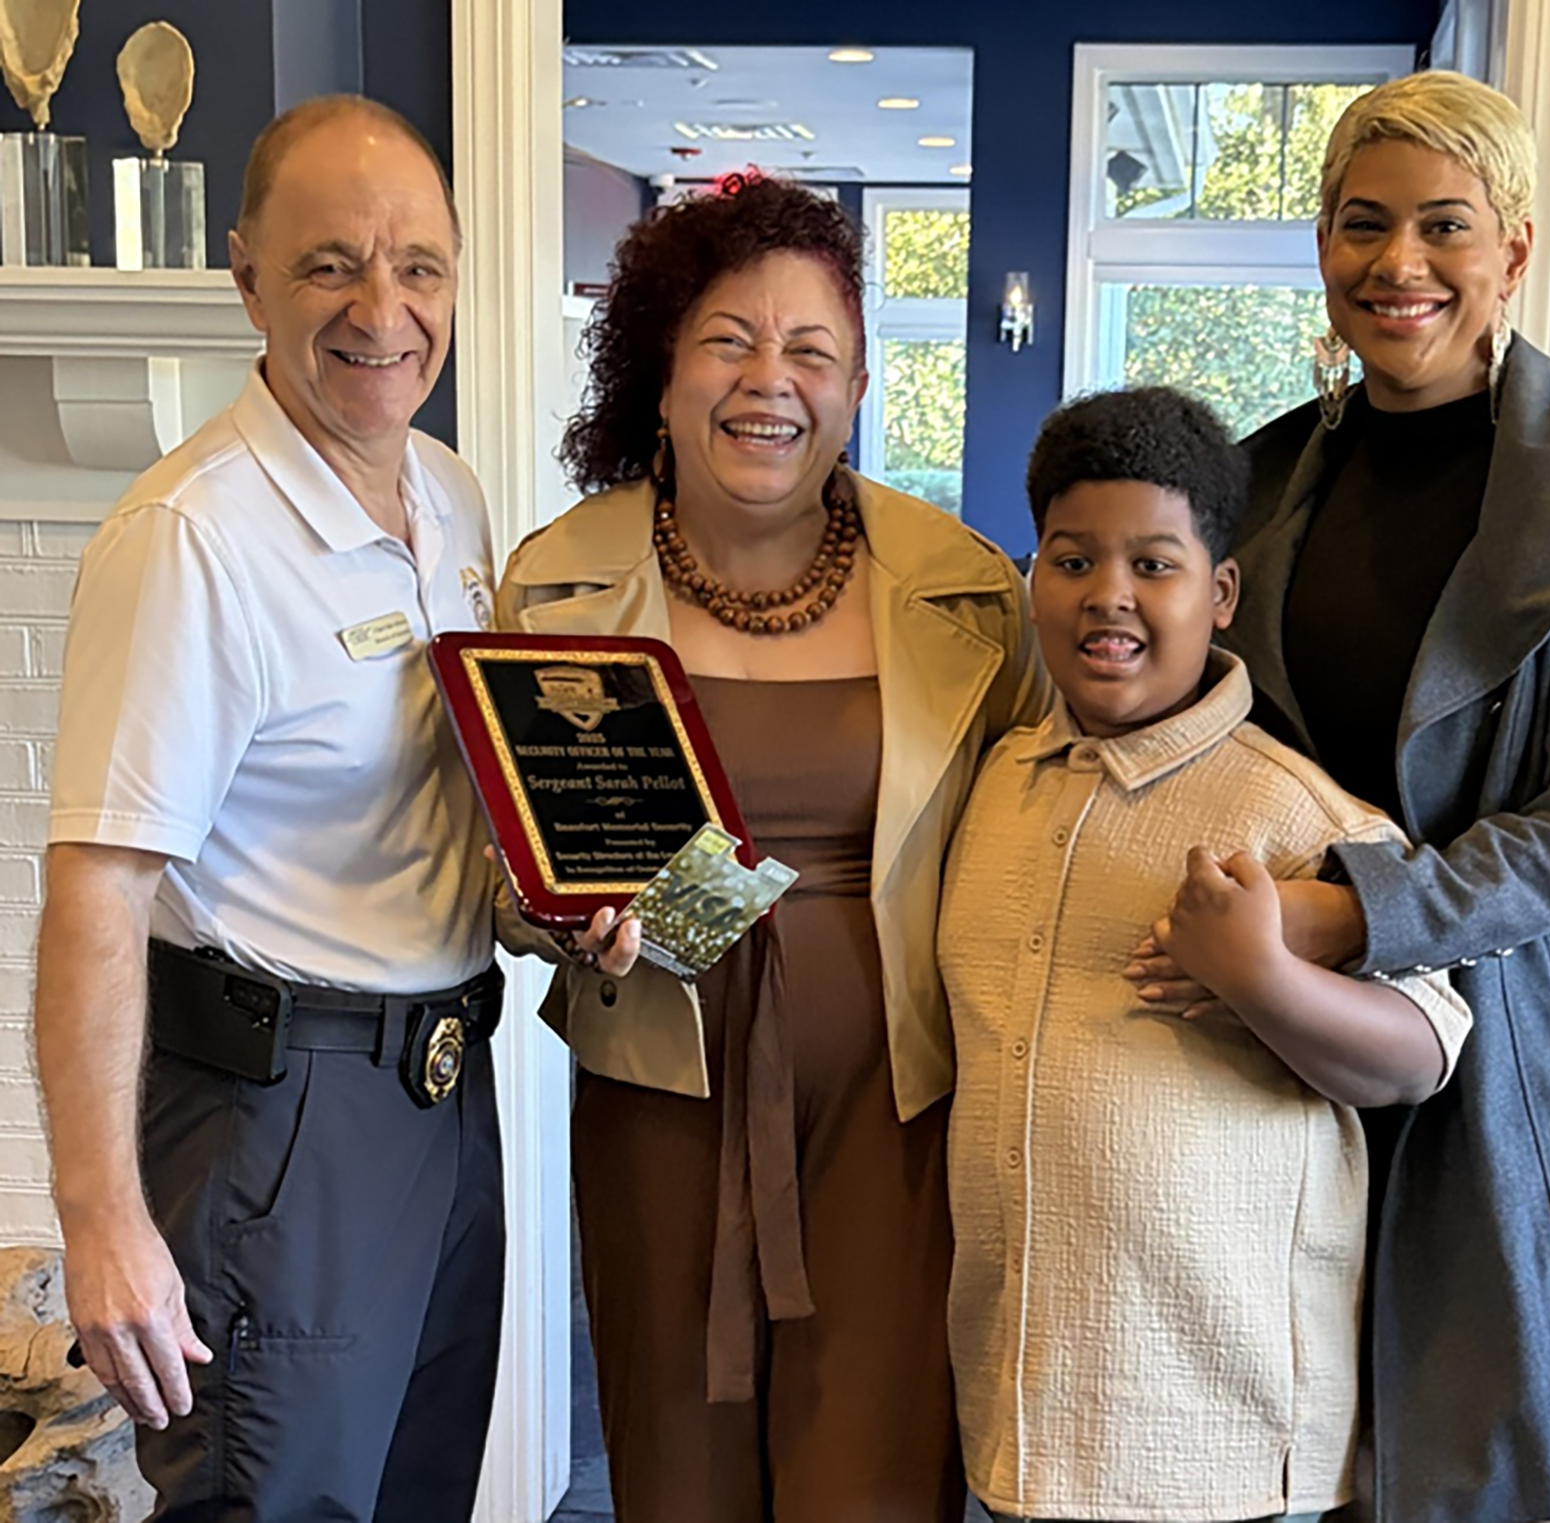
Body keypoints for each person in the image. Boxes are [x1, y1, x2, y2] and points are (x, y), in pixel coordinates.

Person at [1139, 70, 1550, 1523]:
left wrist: (1351, 916)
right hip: (1273, 1027)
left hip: (1519, 1037)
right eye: (1360, 223)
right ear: (1320, 244)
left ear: (1512, 246)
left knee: (1470, 1465)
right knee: (1280, 1447)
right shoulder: (1253, 483)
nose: (1398, 264)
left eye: (1444, 225)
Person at [496, 171, 1046, 1522]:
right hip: (660, 1101)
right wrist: (551, 914)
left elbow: (1042, 824)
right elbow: (501, 878)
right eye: (729, 339)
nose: (770, 380)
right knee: (677, 1468)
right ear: (660, 371)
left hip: (902, 1109)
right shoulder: (552, 579)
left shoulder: (971, 589)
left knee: (873, 1473)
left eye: (812, 350)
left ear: (857, 386)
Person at [34, 96, 505, 1520]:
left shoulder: (450, 493)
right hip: (276, 1118)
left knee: (420, 1490)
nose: (384, 309)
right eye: (330, 265)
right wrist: (102, 1214)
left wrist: (548, 900)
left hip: (445, 1097)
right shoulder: (191, 538)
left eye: (418, 265)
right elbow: (95, 894)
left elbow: (436, 814)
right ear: (246, 276)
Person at [940, 386, 1472, 1523]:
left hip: (1213, 1429)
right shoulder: (990, 784)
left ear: (1219, 592)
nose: (1107, 596)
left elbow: (1422, 1052)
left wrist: (1262, 977)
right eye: (1071, 560)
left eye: (1153, 563)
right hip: (1020, 1407)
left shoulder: (1295, 814)